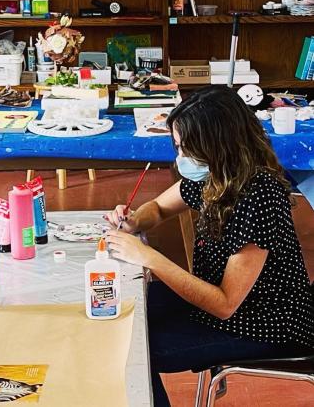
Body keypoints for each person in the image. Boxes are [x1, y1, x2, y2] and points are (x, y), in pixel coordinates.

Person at [104, 87, 314, 407]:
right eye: (178, 147)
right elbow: (159, 208)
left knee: (132, 353)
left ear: (219, 145)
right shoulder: (213, 172)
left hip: (264, 324)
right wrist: (134, 221)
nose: (181, 158)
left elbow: (225, 304)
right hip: (215, 302)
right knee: (118, 315)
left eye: (187, 149)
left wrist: (151, 258)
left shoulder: (258, 195)